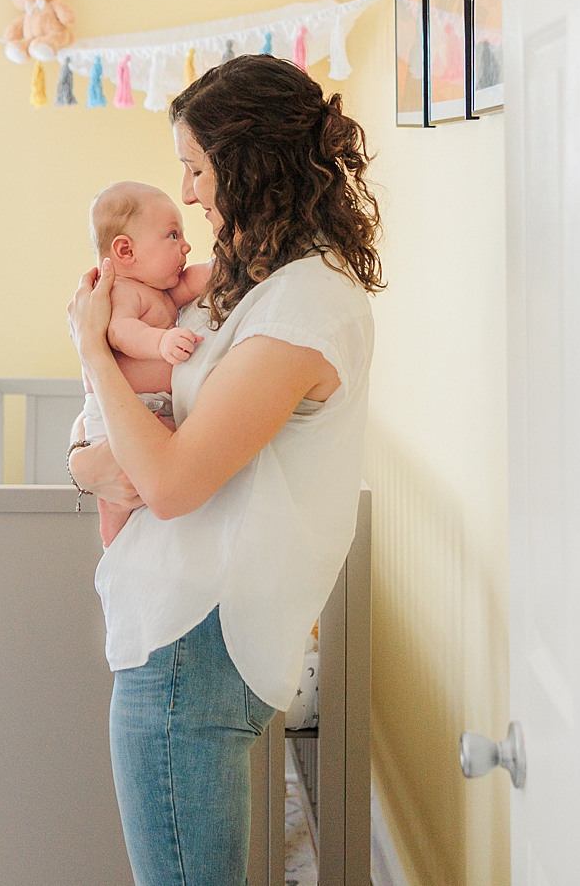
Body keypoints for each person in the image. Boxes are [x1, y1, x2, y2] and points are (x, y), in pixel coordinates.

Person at [66, 55, 382, 886]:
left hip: (192, 645)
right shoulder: (262, 277)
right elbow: (138, 436)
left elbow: (167, 482)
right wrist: (86, 461)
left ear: (248, 164)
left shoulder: (302, 305)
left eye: (198, 168)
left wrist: (89, 349)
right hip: (178, 629)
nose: (192, 192)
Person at [79, 181, 213, 546]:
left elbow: (195, 281)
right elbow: (122, 333)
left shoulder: (160, 290)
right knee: (119, 499)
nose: (185, 245)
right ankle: (114, 539)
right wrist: (162, 341)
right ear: (125, 250)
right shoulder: (120, 293)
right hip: (116, 415)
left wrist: (224, 269)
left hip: (152, 409)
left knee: (168, 474)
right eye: (172, 235)